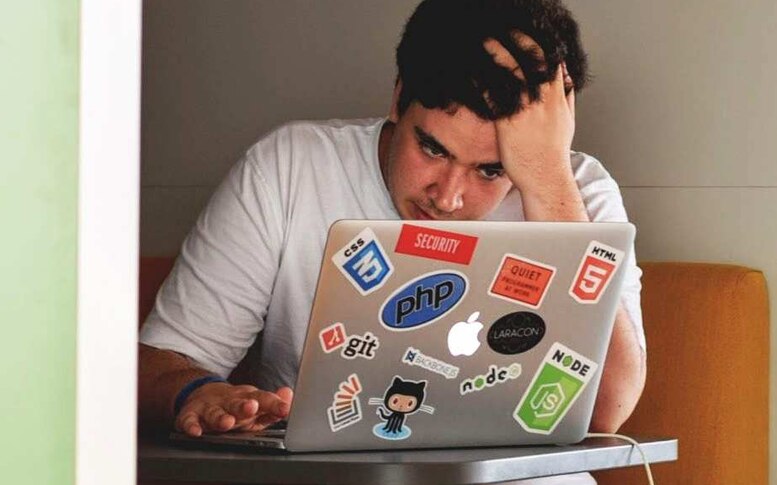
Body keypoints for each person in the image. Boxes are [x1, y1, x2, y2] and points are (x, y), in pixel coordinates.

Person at [140, 1, 646, 482]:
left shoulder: (577, 193)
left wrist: (547, 180)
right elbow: (156, 364)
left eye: (492, 170)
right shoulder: (291, 168)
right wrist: (196, 393)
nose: (448, 198)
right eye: (431, 148)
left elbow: (608, 411)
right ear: (398, 96)